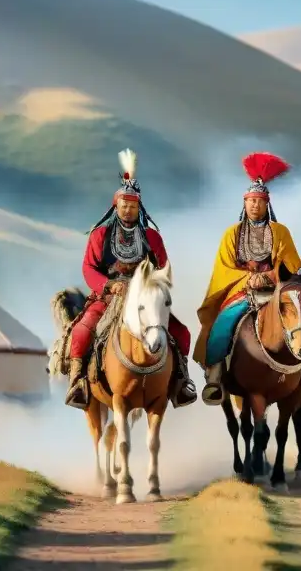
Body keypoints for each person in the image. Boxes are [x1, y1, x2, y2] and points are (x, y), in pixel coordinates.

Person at [65, 149, 197, 410]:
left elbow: (163, 269)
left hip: (144, 299)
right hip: (109, 296)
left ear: (139, 208)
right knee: (81, 333)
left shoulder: (152, 238)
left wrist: (150, 287)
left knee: (181, 333)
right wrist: (109, 285)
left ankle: (182, 380)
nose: (128, 210)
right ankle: (78, 382)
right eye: (124, 205)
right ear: (116, 205)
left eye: (132, 206)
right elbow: (89, 267)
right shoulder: (100, 235)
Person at [194, 152, 301, 406]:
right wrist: (247, 280)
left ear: (267, 204)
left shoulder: (280, 232)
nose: (254, 205)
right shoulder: (232, 233)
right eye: (250, 201)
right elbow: (224, 268)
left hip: (276, 290)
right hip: (242, 293)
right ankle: (215, 376)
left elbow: (291, 267)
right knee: (224, 322)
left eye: (259, 201)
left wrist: (270, 275)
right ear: (244, 203)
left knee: (300, 323)